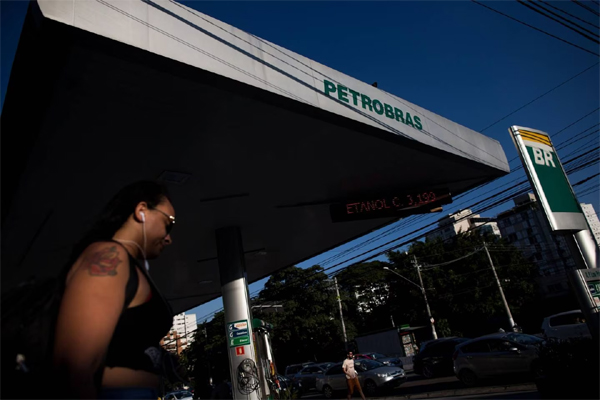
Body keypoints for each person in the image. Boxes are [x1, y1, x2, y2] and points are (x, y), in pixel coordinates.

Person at [52, 181, 177, 399]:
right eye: (169, 223)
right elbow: (74, 367)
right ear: (142, 211)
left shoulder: (124, 264)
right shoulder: (109, 257)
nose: (169, 238)